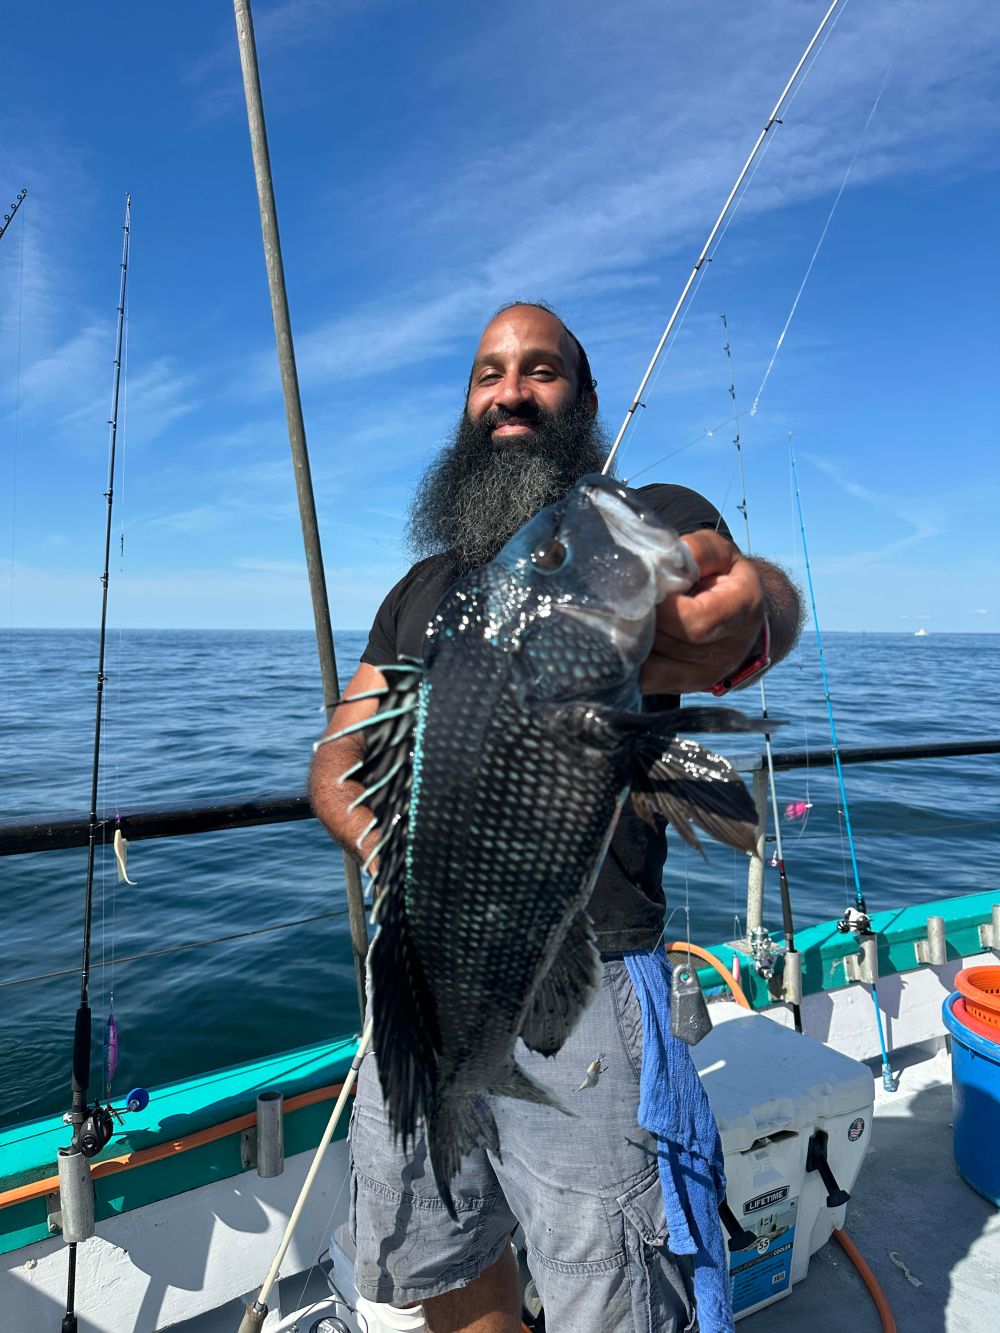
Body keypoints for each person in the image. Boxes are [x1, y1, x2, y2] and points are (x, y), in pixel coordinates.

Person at [309, 302, 802, 1333]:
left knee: (611, 1290)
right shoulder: (423, 591)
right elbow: (336, 762)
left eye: (541, 370)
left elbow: (730, 595)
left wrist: (748, 607)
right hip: (421, 958)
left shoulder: (618, 522)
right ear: (467, 406)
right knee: (439, 1256)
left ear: (581, 402)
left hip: (586, 984)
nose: (510, 391)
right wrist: (410, 860)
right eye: (489, 371)